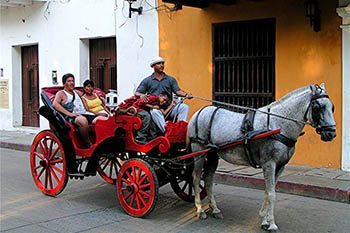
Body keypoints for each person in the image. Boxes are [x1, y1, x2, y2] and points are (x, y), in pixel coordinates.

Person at [135, 56, 193, 133]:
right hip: (156, 108)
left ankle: (180, 130)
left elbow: (177, 91)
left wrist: (186, 95)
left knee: (184, 107)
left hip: (169, 108)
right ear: (153, 66)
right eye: (159, 63)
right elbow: (137, 93)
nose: (162, 65)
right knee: (155, 112)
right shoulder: (147, 80)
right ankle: (167, 132)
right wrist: (141, 95)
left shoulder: (170, 79)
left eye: (162, 63)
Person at [52, 73, 106, 148]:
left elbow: (88, 95)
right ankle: (88, 144)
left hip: (85, 113)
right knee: (83, 121)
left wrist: (99, 99)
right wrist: (69, 114)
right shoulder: (61, 93)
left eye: (73, 81)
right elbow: (55, 104)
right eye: (69, 81)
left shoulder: (76, 92)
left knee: (103, 120)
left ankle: (102, 142)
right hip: (72, 116)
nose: (72, 83)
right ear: (64, 83)